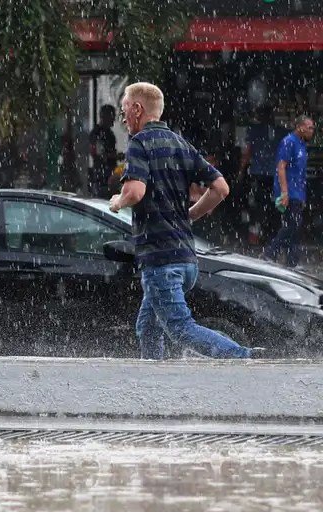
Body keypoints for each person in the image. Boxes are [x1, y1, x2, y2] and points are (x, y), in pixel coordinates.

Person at [109, 82, 255, 360]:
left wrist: (118, 200)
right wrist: (190, 215)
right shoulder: (179, 143)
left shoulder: (139, 144)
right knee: (148, 327)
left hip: (161, 259)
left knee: (180, 328)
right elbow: (221, 188)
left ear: (138, 109)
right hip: (186, 259)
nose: (123, 115)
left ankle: (243, 357)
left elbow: (135, 191)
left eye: (125, 108)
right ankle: (155, 383)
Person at [265, 115, 315, 267]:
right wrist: (284, 192)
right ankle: (270, 253)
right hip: (289, 191)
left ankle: (292, 261)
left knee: (295, 226)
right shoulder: (289, 142)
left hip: (298, 192)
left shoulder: (301, 144)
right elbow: (281, 167)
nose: (312, 131)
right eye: (309, 127)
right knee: (292, 225)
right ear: (300, 127)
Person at [238, 105, 280, 245]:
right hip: (273, 175)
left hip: (258, 173)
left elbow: (247, 152)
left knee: (257, 208)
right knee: (272, 207)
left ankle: (254, 238)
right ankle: (270, 237)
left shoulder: (254, 130)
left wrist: (241, 171)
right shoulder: (277, 132)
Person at [89, 104, 119, 198]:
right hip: (101, 176)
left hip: (109, 174)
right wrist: (114, 156)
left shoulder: (110, 134)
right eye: (112, 116)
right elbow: (98, 153)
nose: (113, 119)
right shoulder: (97, 133)